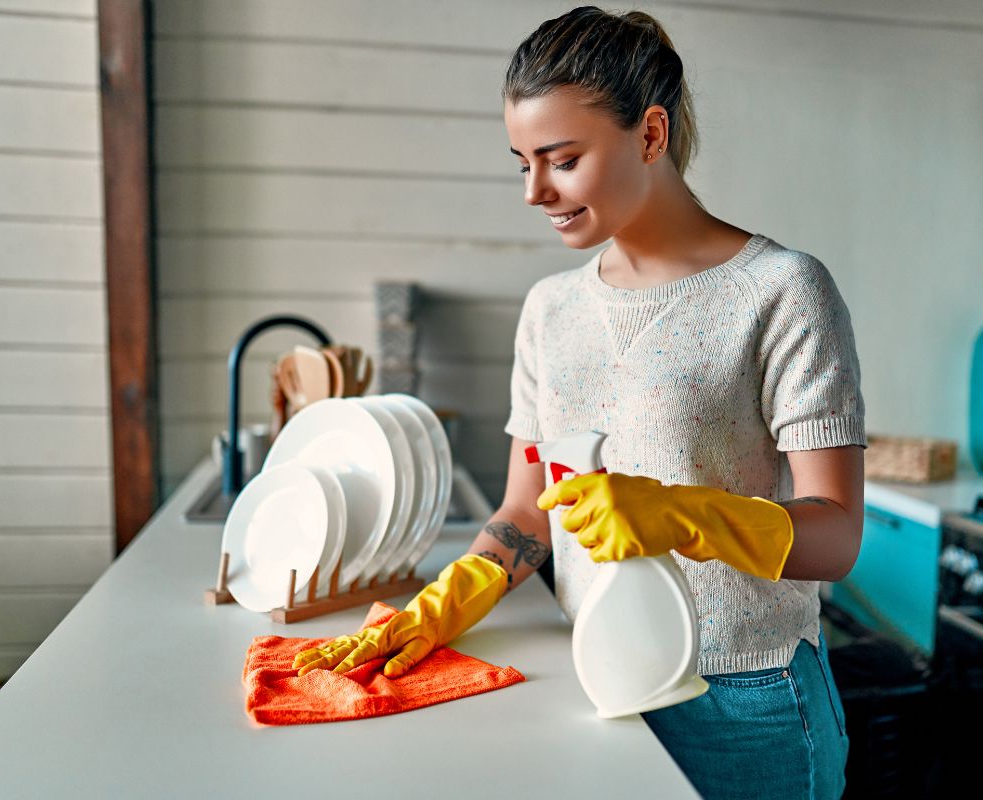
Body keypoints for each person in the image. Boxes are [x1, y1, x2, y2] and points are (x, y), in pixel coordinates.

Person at [293, 7, 866, 799]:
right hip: (591, 679)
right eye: (521, 163)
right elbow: (531, 513)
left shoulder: (782, 291)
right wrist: (446, 603)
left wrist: (681, 516)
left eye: (561, 159)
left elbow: (836, 535)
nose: (535, 191)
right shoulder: (550, 310)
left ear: (651, 135)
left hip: (744, 699)